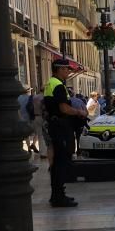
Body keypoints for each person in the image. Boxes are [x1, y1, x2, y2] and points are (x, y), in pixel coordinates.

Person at [43, 59, 87, 206]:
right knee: (62, 162)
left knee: (57, 163)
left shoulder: (51, 83)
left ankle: (57, 194)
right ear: (59, 70)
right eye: (66, 69)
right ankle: (59, 197)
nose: (68, 71)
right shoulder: (58, 86)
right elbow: (64, 108)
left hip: (55, 125)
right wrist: (79, 112)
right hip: (61, 126)